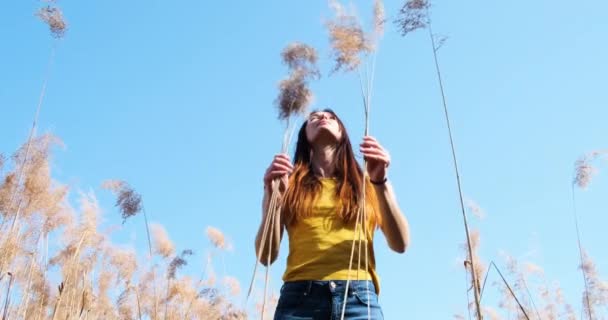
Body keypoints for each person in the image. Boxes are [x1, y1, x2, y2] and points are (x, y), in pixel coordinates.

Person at [255, 109, 410, 320]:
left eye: (331, 117)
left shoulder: (369, 182)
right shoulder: (287, 184)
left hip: (359, 298)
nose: (323, 118)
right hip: (299, 300)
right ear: (304, 136)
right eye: (314, 117)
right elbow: (266, 255)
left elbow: (400, 243)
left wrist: (379, 181)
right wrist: (271, 194)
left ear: (342, 133)